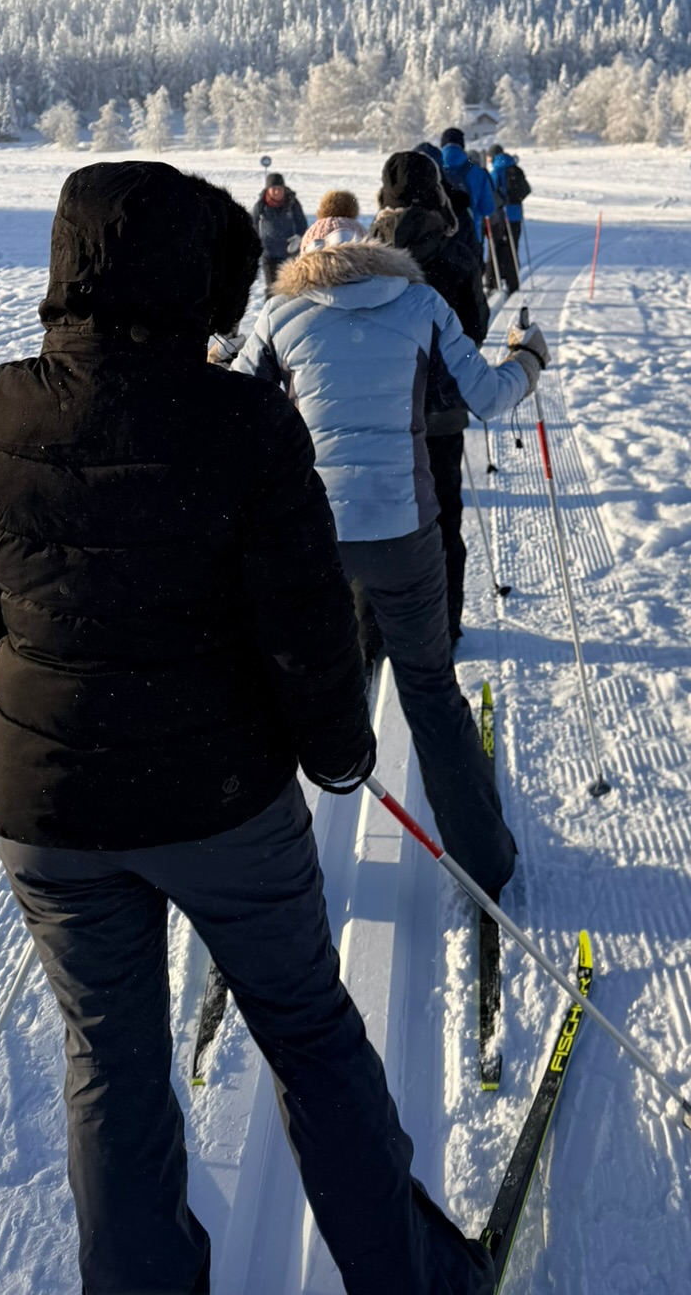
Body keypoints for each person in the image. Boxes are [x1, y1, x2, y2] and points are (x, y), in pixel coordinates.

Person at [0, 161, 494, 1295]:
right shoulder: (243, 423)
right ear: (196, 278)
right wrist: (337, 747)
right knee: (309, 1031)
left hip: (48, 810)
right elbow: (308, 629)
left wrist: (69, 652)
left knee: (109, 1064)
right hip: (222, 800)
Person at [226, 225, 549, 899]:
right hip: (405, 531)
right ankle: (484, 866)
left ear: (309, 262)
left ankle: (264, 862)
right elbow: (487, 399)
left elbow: (233, 410)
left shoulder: (281, 313)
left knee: (286, 688)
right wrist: (529, 360)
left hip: (309, 537)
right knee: (428, 689)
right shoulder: (421, 303)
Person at [369, 150, 489, 646]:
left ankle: (373, 631)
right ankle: (444, 624)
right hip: (440, 413)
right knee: (442, 521)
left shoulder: (364, 254)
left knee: (379, 521)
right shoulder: (457, 251)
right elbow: (475, 330)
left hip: (381, 411)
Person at [437, 127, 498, 267]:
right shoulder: (476, 170)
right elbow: (487, 208)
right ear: (462, 145)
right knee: (471, 283)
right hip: (470, 236)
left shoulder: (435, 168)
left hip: (441, 237)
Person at [485, 146, 529, 296]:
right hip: (515, 216)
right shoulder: (515, 168)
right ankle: (513, 282)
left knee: (495, 249)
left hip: (500, 218)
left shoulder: (496, 171)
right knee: (512, 249)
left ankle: (492, 281)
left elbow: (490, 193)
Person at [253, 170, 309, 284]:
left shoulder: (292, 202)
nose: (277, 192)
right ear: (268, 190)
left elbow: (301, 221)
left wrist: (299, 237)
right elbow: (253, 224)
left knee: (290, 287)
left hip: (290, 252)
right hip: (269, 254)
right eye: (274, 189)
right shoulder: (261, 204)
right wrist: (256, 242)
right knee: (272, 288)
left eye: (280, 188)